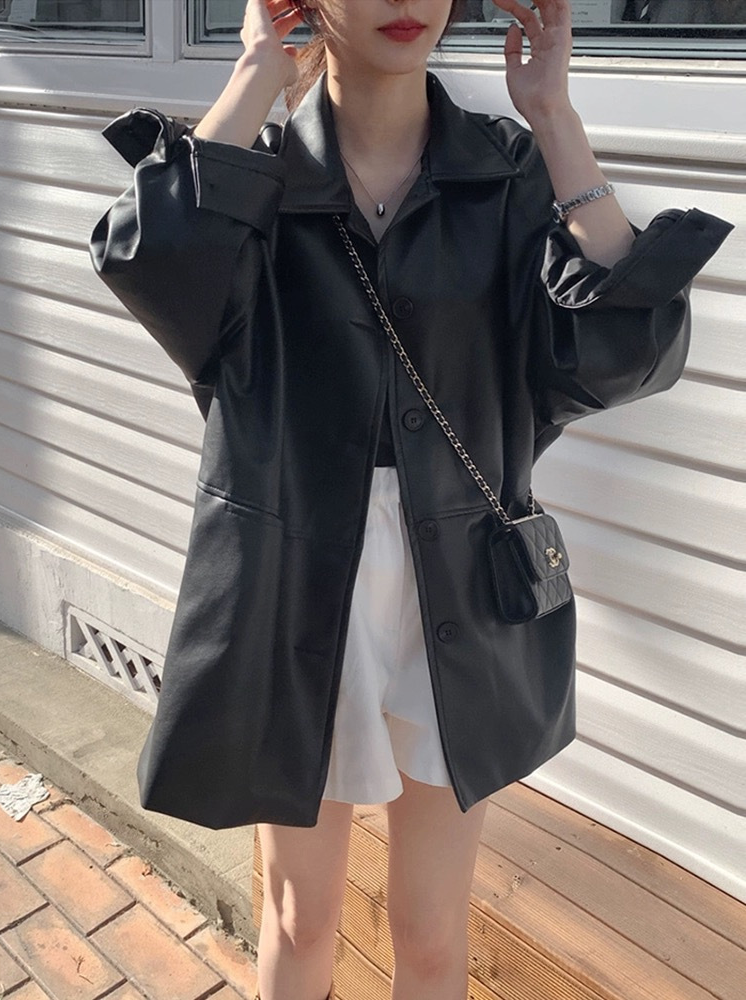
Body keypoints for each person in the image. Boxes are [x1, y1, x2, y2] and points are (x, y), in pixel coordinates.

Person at [89, 1, 731, 998]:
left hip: (461, 578)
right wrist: (257, 67)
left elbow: (622, 352)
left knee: (432, 932)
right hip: (296, 577)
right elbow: (154, 266)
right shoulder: (250, 181)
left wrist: (556, 117)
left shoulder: (504, 172)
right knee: (301, 918)